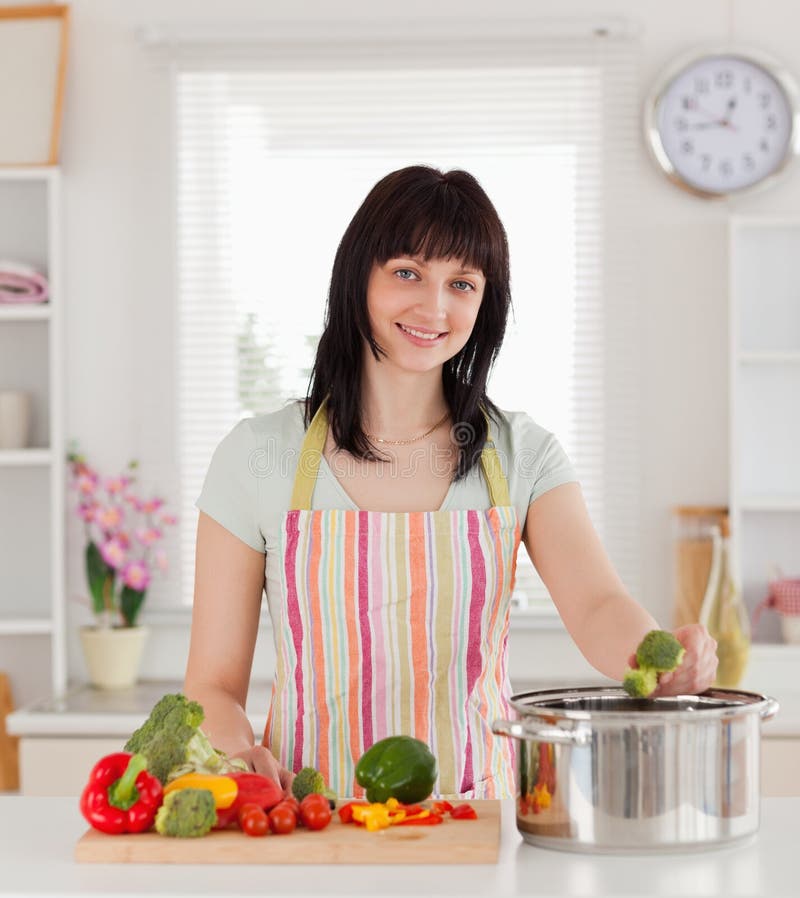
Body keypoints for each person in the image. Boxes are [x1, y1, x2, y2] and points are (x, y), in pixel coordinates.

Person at [184, 164, 718, 800]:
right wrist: (237, 753)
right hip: (309, 820)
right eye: (407, 272)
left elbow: (598, 604)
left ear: (483, 302)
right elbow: (212, 685)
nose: (433, 307)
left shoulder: (523, 455)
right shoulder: (258, 456)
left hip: (474, 817)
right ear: (359, 277)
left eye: (461, 283)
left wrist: (656, 659)